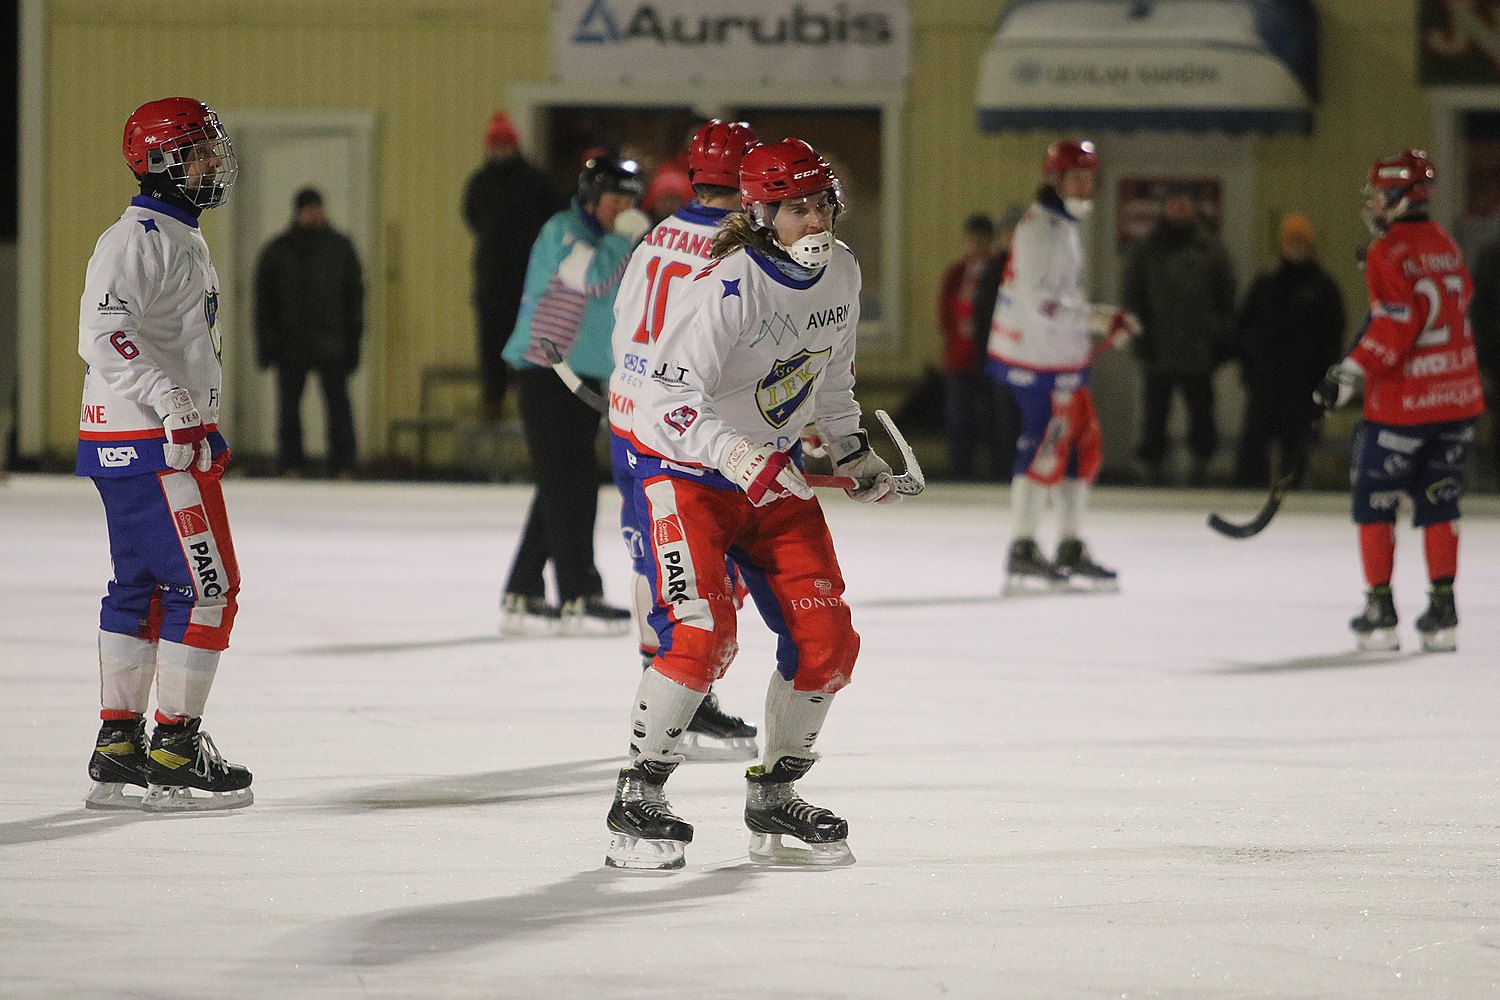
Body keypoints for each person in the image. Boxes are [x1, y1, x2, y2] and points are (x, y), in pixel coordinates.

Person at [605, 138, 898, 871]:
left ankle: (775, 794)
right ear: (762, 213)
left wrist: (851, 447)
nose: (815, 220)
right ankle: (637, 795)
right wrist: (740, 457)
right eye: (797, 207)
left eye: (823, 203)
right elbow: (664, 402)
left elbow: (831, 381)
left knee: (829, 644)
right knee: (702, 637)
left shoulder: (844, 273)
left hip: (771, 471)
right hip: (684, 471)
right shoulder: (727, 287)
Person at [76, 97, 252, 812]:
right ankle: (176, 748)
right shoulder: (141, 237)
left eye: (211, 151)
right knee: (206, 588)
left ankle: (120, 747)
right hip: (153, 441)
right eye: (195, 153)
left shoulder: (171, 233)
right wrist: (179, 408)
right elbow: (104, 335)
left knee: (141, 588)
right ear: (156, 162)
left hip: (129, 437)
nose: (210, 165)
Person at [608, 119, 763, 760]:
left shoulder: (656, 237)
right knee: (710, 566)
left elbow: (623, 323)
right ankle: (684, 698)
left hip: (630, 419)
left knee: (655, 560)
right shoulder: (739, 250)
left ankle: (668, 693)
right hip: (689, 431)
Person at [1313, 149, 1485, 653]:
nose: (1373, 204)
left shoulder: (1389, 252)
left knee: (1375, 500)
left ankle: (1381, 608)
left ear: (1396, 195)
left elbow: (1395, 325)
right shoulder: (1447, 245)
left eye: (1377, 194)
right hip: (1457, 398)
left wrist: (1348, 374)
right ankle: (1443, 608)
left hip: (1404, 406)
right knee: (1440, 501)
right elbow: (1460, 297)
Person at [498, 151, 650, 635]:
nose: (622, 206)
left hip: (584, 374)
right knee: (572, 483)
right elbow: (596, 282)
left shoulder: (610, 238)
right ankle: (578, 594)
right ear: (590, 197)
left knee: (561, 482)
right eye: (614, 197)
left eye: (629, 198)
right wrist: (628, 234)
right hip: (547, 369)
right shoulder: (563, 231)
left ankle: (522, 592)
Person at [984, 139, 1139, 595]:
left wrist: (1098, 316)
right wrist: (1097, 318)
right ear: (1055, 179)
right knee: (1044, 449)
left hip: (1059, 358)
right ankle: (1023, 544)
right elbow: (1041, 305)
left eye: (1090, 178)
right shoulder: (1040, 229)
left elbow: (1057, 301)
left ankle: (1068, 543)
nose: (1085, 186)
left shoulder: (1061, 224)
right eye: (1077, 177)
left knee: (1081, 448)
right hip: (1037, 359)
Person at [1121, 182, 1238, 485]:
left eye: (1185, 202)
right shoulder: (1146, 248)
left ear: (1195, 207)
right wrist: (1139, 338)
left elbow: (1227, 296)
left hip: (1198, 349)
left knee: (1201, 413)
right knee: (1154, 414)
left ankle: (1202, 464)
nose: (1179, 208)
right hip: (1156, 348)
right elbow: (1131, 297)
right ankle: (1151, 466)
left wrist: (1220, 338)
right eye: (1173, 202)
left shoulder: (1211, 248)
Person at [253, 187, 365, 478]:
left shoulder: (340, 248)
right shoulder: (279, 250)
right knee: (289, 408)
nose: (314, 213)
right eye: (308, 208)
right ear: (298, 212)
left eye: (317, 208)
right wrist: (264, 341)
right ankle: (291, 464)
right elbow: (264, 300)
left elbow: (354, 296)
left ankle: (344, 464)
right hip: (290, 342)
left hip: (332, 340)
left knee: (338, 406)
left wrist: (354, 341)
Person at [1230, 212, 1345, 487]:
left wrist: (1326, 377)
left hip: (1304, 383)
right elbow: (1243, 327)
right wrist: (1250, 366)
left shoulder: (1323, 287)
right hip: (1266, 381)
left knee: (1297, 448)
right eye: (1292, 242)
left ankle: (1293, 496)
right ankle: (1246, 495)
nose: (1297, 248)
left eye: (1302, 243)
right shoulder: (1266, 283)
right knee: (1254, 445)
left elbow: (1333, 336)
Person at [463, 112, 563, 423]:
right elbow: (471, 217)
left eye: (506, 144)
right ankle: (493, 398)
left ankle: (528, 399)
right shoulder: (480, 183)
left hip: (528, 279)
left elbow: (554, 222)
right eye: (497, 144)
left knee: (529, 340)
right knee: (492, 341)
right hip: (492, 278)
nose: (502, 150)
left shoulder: (535, 182)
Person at [936, 213, 1001, 480]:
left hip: (991, 358)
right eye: (972, 239)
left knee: (994, 418)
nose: (976, 244)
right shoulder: (958, 272)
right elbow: (945, 312)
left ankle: (998, 472)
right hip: (959, 358)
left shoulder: (997, 271)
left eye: (981, 239)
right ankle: (960, 471)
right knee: (959, 417)